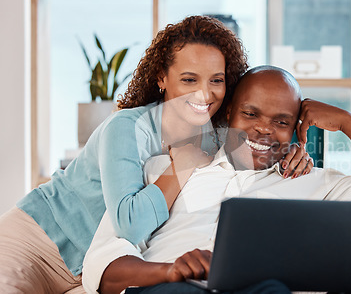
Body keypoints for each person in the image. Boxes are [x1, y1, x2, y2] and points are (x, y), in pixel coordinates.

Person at [0, 17, 311, 294]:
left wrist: (293, 151)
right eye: (189, 79)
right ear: (162, 78)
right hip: (36, 244)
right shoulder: (127, 128)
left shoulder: (214, 133)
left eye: (216, 80)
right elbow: (130, 226)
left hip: (90, 269)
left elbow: (258, 146)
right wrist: (182, 166)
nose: (205, 94)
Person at [82, 66, 351, 294]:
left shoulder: (316, 181)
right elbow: (103, 265)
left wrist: (350, 124)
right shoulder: (166, 168)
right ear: (229, 110)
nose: (264, 129)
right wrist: (170, 270)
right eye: (251, 114)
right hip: (174, 287)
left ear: (296, 128)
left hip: (265, 289)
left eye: (281, 121)